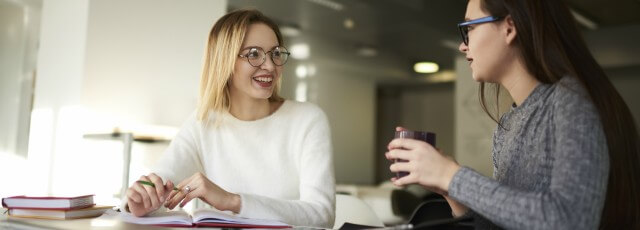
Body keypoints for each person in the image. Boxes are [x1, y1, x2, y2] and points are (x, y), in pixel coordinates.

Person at [386, 0, 640, 229]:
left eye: (469, 28)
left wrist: (451, 175)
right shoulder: (507, 125)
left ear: (509, 27)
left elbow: (570, 220)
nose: (463, 46)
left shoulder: (570, 100)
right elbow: (504, 224)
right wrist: (448, 189)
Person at [122, 9, 335, 228]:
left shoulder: (307, 120)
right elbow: (162, 180)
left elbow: (322, 214)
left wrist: (232, 201)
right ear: (224, 60)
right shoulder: (203, 122)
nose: (270, 66)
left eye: (275, 53)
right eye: (253, 54)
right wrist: (140, 201)